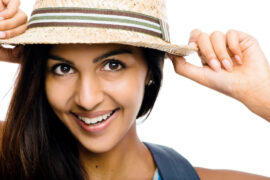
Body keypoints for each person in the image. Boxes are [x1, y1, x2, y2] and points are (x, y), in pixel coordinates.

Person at [0, 0, 269, 179]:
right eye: (63, 69)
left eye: (113, 64)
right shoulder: (10, 157)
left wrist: (263, 95)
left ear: (151, 69)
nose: (87, 98)